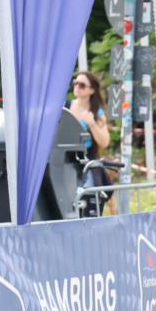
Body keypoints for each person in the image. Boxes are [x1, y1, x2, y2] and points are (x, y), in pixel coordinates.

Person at [68, 71, 112, 216]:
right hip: (64, 161)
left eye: (82, 85)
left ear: (92, 90)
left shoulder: (96, 112)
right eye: (75, 83)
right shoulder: (65, 107)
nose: (77, 87)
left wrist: (91, 123)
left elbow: (104, 142)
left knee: (89, 203)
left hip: (86, 163)